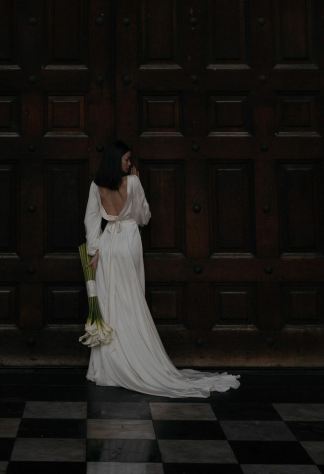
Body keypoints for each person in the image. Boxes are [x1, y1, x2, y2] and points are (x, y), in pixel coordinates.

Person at [83, 140, 240, 398]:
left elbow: (91, 220)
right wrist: (135, 189)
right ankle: (136, 359)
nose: (130, 163)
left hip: (109, 242)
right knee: (132, 299)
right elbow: (144, 216)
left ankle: (108, 366)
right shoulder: (132, 182)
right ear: (116, 160)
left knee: (110, 301)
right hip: (130, 242)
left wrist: (94, 251)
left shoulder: (96, 186)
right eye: (126, 159)